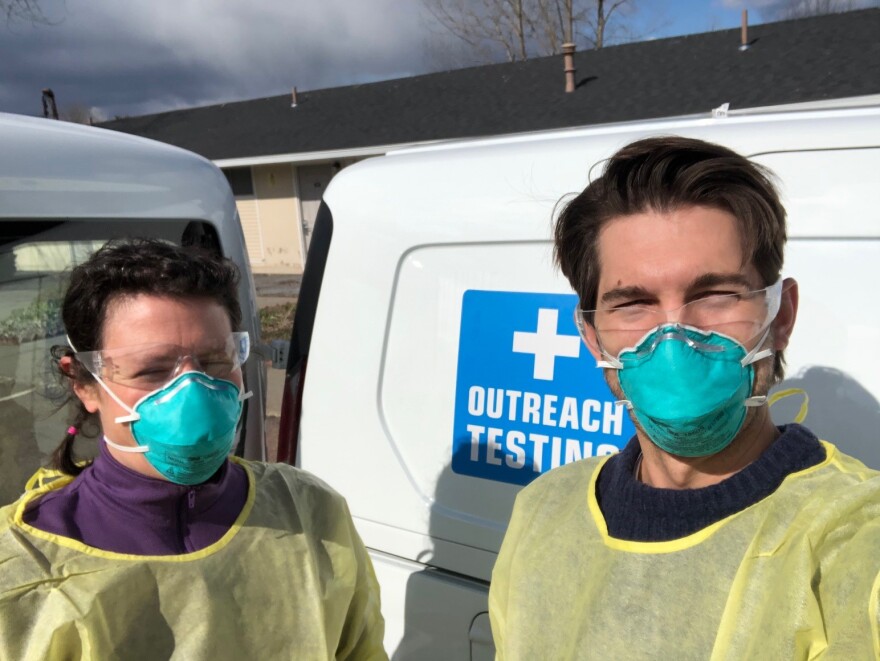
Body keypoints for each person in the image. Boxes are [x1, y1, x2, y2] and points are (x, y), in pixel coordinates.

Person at [488, 137, 880, 659]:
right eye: (633, 304)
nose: (674, 338)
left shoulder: (854, 537)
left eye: (715, 296)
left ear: (780, 316)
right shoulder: (542, 512)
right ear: (591, 335)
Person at [0, 239, 387, 659]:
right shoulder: (19, 569)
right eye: (152, 369)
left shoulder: (312, 512)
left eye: (216, 361)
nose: (195, 391)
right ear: (85, 384)